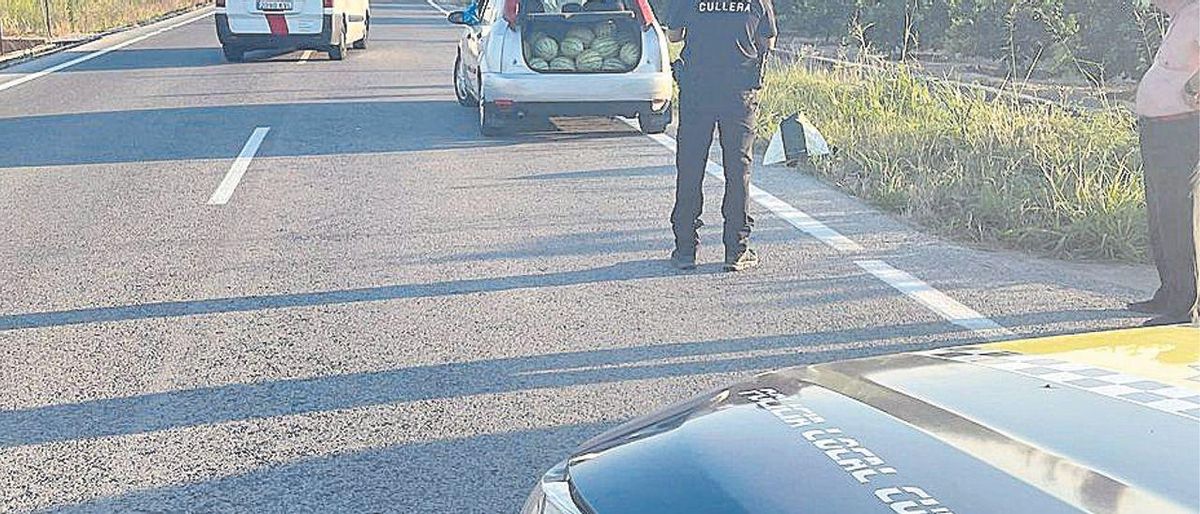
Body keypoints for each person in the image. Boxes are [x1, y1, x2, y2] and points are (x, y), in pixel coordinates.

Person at [665, 0, 776, 272]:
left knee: (691, 165)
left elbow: (674, 35)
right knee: (738, 168)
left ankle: (685, 250)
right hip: (739, 90)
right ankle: (736, 250)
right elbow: (768, 41)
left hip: (697, 87)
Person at [1129, 0, 1200, 326]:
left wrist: (1195, 87)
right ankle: (1168, 292)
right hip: (1158, 128)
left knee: (1175, 214)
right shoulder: (1180, 18)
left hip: (1179, 129)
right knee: (1159, 213)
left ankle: (1183, 304)